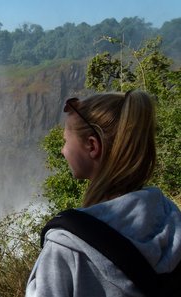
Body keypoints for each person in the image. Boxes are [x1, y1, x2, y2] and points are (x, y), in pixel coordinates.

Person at [25, 90, 181, 296]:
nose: (62, 150)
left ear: (92, 146)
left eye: (65, 141)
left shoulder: (66, 247)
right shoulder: (170, 217)